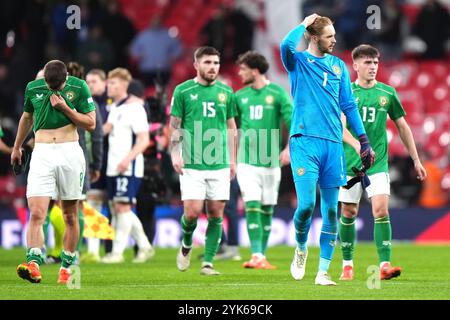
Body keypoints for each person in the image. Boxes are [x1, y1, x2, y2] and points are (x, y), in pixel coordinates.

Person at [280, 14, 375, 286]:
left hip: (333, 145)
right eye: (329, 36)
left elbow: (349, 105)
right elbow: (285, 46)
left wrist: (363, 139)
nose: (335, 40)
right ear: (314, 37)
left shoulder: (338, 67)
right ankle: (300, 247)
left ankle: (322, 272)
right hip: (305, 141)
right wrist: (302, 23)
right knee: (307, 205)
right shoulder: (297, 62)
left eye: (334, 35)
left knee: (331, 211)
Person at [338, 44, 428, 281]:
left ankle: (385, 264)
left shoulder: (387, 93)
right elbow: (339, 127)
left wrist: (416, 159)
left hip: (377, 164)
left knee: (381, 209)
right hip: (349, 163)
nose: (373, 67)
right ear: (355, 65)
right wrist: (357, 145)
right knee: (349, 212)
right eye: (367, 62)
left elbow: (402, 126)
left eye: (375, 62)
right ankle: (347, 264)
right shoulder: (346, 93)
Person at [12, 60, 96, 284]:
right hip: (42, 153)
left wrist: (65, 109)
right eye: (49, 86)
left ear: (66, 79)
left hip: (70, 153)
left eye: (57, 86)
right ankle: (33, 263)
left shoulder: (79, 87)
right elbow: (27, 118)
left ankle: (67, 266)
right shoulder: (33, 87)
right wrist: (17, 146)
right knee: (37, 213)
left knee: (69, 214)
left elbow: (91, 123)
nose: (53, 90)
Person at [170, 46, 238, 275]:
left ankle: (208, 262)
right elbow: (175, 125)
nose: (212, 67)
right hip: (192, 162)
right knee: (191, 213)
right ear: (196, 65)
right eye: (208, 62)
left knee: (216, 213)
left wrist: (233, 160)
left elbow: (231, 128)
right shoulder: (183, 90)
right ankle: (187, 243)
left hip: (219, 163)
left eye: (216, 63)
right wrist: (174, 153)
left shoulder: (226, 92)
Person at [235, 51, 292, 269]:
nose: (240, 73)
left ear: (255, 70)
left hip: (271, 162)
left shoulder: (277, 94)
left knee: (267, 208)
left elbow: (293, 121)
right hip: (246, 161)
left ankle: (261, 255)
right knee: (252, 205)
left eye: (243, 69)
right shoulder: (239, 97)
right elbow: (230, 125)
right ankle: (256, 254)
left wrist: (289, 148)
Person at [100, 68, 154, 264]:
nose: (109, 86)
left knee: (123, 207)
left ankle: (117, 253)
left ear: (124, 85)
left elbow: (143, 140)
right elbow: (105, 131)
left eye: (113, 83)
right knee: (117, 208)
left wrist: (127, 160)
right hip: (113, 166)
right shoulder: (116, 108)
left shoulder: (135, 109)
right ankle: (145, 246)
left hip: (127, 166)